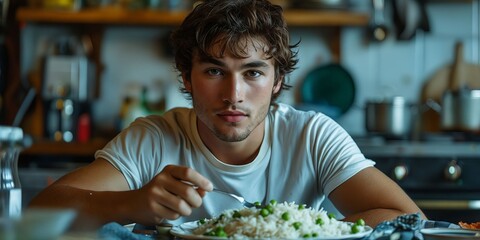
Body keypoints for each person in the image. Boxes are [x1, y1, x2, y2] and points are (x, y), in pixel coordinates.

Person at [29, 0, 425, 230]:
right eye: (214, 71)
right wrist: (133, 204)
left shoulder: (313, 136)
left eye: (252, 72)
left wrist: (302, 230)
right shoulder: (154, 137)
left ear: (277, 81)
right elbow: (41, 211)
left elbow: (409, 220)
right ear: (187, 77)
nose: (233, 95)